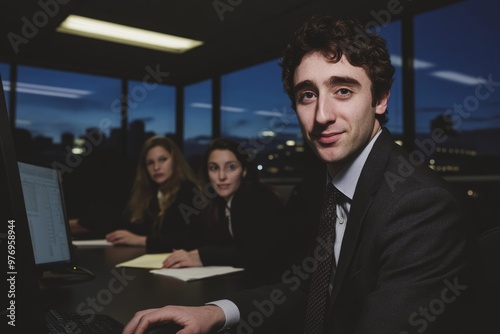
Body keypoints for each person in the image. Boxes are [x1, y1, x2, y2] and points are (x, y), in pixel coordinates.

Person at [122, 16, 478, 334]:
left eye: (342, 90)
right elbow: (313, 287)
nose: (322, 114)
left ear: (380, 99)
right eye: (307, 95)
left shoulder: (420, 205)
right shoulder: (330, 186)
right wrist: (216, 312)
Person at [162, 138, 289, 282]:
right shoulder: (221, 203)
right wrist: (190, 254)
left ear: (244, 171)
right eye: (214, 168)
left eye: (231, 167)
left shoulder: (252, 196)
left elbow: (255, 253)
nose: (222, 176)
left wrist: (202, 256)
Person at [102, 135, 206, 253]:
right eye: (150, 163)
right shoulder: (151, 194)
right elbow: (133, 226)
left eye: (163, 160)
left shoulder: (188, 191)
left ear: (175, 161)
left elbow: (188, 240)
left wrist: (141, 240)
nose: (156, 167)